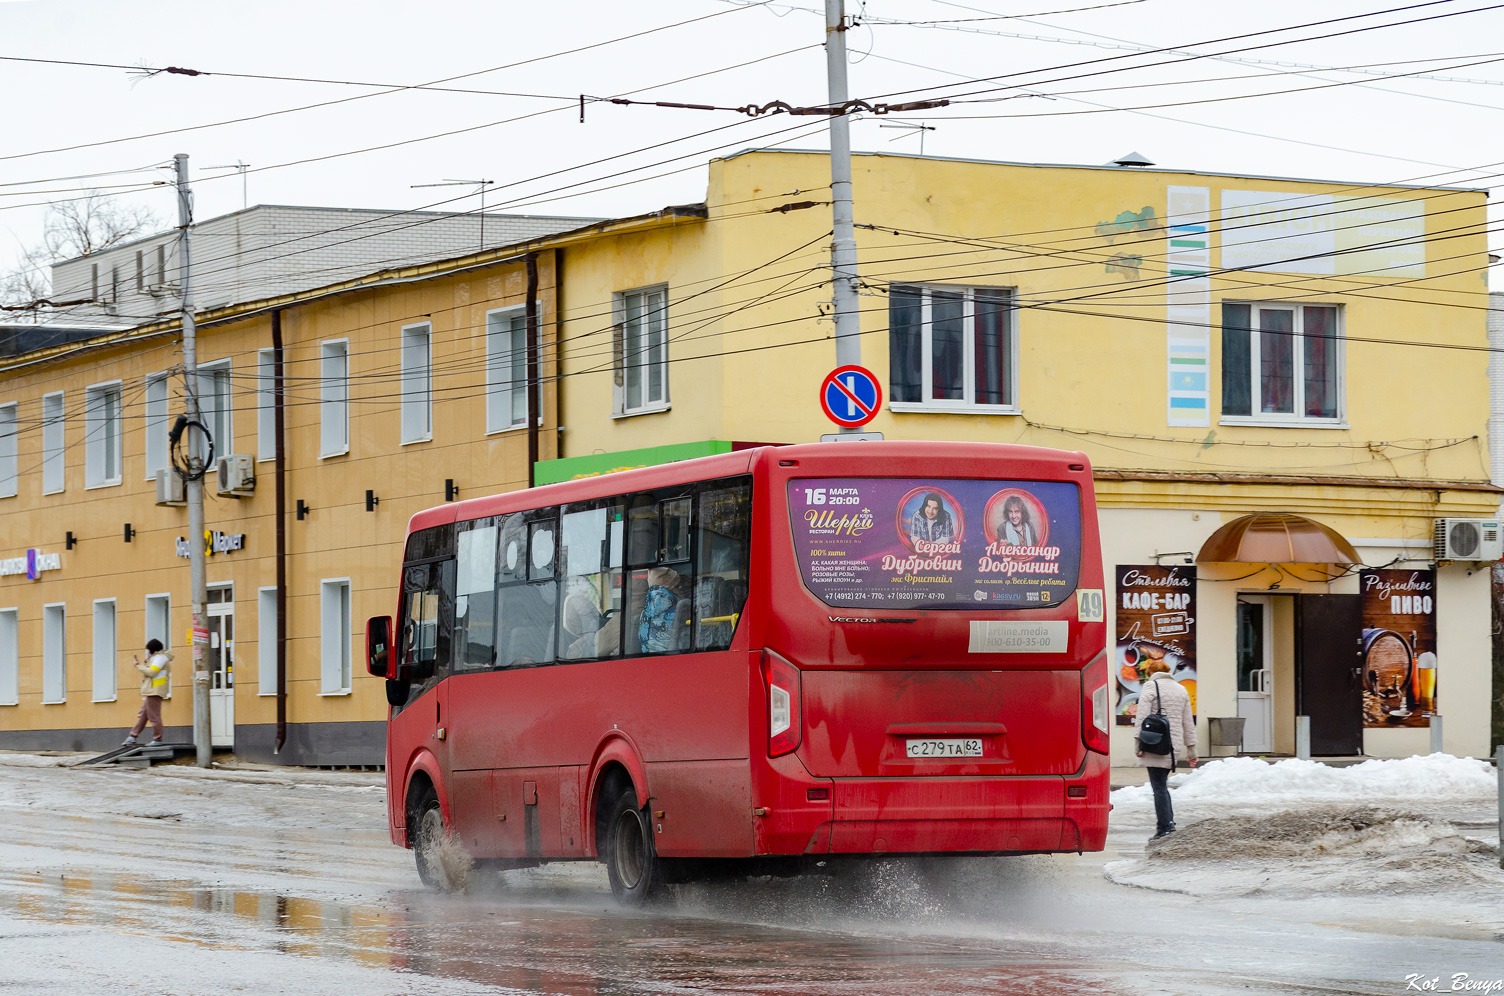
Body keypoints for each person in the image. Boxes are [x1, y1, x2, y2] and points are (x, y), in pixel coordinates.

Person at [1132, 659, 1197, 840]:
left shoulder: (1151, 686)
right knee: (1162, 784)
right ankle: (1169, 822)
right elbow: (1187, 722)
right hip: (1172, 744)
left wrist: (1137, 742)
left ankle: (1164, 827)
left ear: (1150, 673)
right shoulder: (1181, 689)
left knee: (1158, 786)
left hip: (1155, 742)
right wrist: (1191, 748)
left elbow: (1142, 716)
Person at [123, 639, 173, 747]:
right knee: (142, 715)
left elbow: (152, 672)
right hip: (152, 690)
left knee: (154, 716)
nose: (147, 652)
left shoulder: (160, 658)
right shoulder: (156, 658)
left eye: (148, 650)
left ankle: (157, 739)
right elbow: (152, 670)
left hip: (155, 690)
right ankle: (132, 736)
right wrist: (147, 662)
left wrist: (138, 666)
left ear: (151, 650)